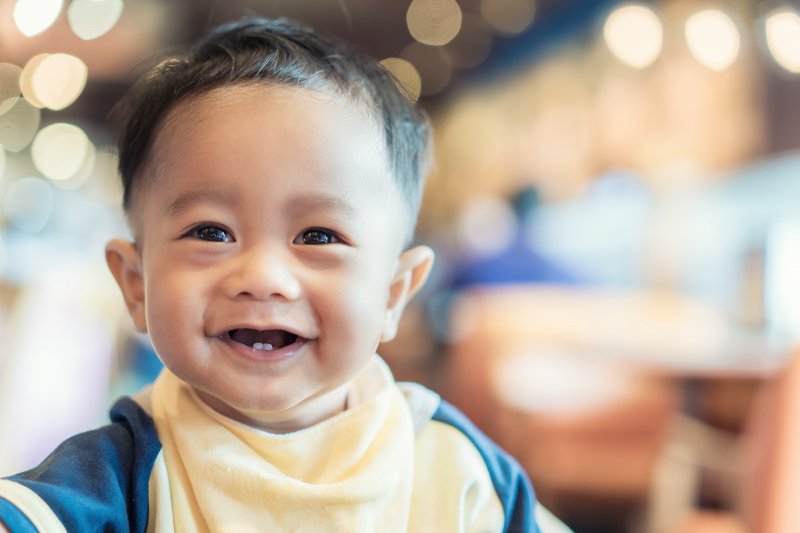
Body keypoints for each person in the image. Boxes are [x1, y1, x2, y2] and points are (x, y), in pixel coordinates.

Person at [0, 17, 541, 532]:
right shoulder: (120, 477)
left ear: (393, 294)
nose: (263, 277)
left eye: (319, 237)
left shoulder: (460, 473)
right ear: (136, 284)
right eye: (211, 232)